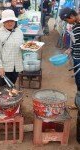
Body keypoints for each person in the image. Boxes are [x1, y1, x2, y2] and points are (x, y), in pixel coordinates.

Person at [59, 7, 80, 143]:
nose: (69, 22)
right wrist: (70, 49)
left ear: (73, 15)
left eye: (68, 19)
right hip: (77, 59)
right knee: (78, 83)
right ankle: (78, 103)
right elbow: (76, 42)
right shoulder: (76, 26)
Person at [0, 9, 24, 87]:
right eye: (7, 21)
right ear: (3, 22)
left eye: (12, 21)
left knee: (12, 86)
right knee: (4, 89)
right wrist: (0, 67)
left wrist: (26, 47)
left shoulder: (19, 31)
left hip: (16, 66)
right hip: (4, 67)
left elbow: (22, 44)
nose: (10, 23)